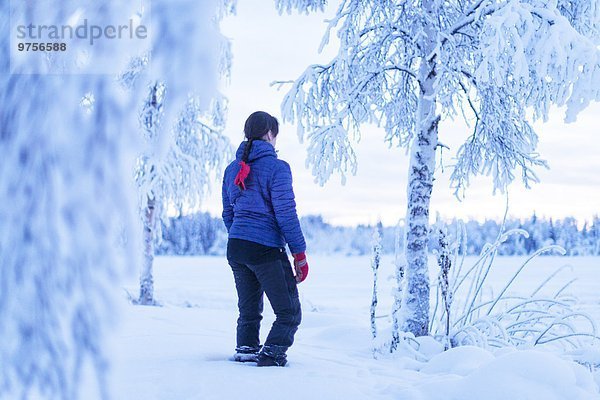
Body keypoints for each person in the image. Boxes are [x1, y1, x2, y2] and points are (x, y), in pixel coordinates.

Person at [221, 111, 309, 367]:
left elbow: (228, 213)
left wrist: (242, 236)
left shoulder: (231, 169)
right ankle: (270, 358)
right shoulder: (277, 168)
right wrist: (299, 254)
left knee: (249, 311)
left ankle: (246, 350)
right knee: (289, 312)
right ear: (269, 134)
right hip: (265, 249)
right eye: (275, 135)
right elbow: (285, 214)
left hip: (236, 247)